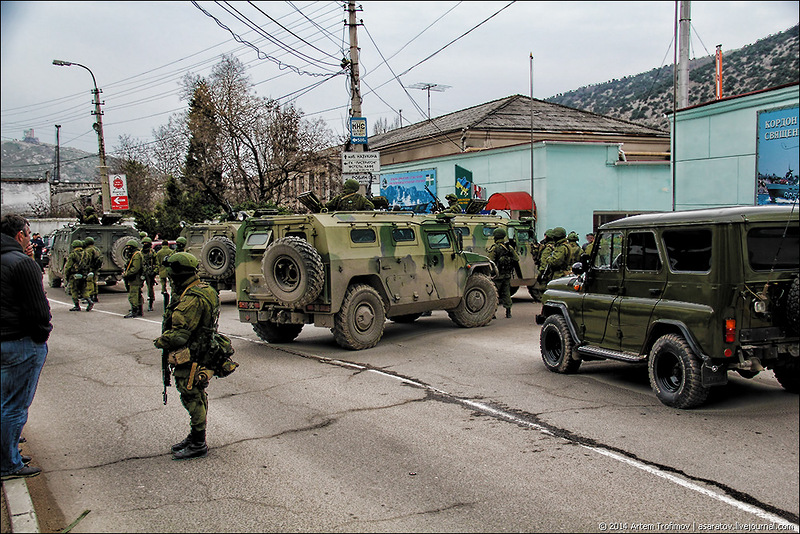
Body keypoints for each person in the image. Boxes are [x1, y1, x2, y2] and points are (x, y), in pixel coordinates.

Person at [154, 252, 220, 460]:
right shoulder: (204, 289)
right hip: (203, 349)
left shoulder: (191, 299)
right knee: (198, 395)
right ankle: (195, 436)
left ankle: (199, 442)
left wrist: (161, 341)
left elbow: (180, 335)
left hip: (191, 354)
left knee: (191, 395)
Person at [1, 214, 52, 480]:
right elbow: (38, 310)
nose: (32, 239)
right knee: (15, 406)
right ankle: (8, 463)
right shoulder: (21, 263)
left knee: (4, 402)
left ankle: (8, 453)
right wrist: (42, 334)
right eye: (29, 234)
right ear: (20, 235)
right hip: (19, 342)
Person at [488, 228, 519, 318]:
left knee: (494, 294)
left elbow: (491, 261)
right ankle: (508, 312)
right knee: (506, 293)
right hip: (507, 274)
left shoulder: (495, 248)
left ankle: (493, 313)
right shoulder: (509, 247)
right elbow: (516, 259)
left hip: (497, 275)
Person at [64, 239, 93, 312]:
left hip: (74, 276)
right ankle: (89, 301)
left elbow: (68, 266)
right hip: (84, 275)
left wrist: (66, 276)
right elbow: (89, 264)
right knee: (84, 289)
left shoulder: (73, 255)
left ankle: (77, 306)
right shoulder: (86, 254)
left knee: (74, 290)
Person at [122, 239, 144, 318]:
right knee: (137, 294)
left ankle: (135, 311)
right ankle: (139, 310)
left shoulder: (136, 255)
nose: (128, 248)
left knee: (133, 295)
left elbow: (135, 268)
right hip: (135, 278)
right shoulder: (135, 254)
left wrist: (126, 274)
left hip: (135, 278)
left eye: (129, 246)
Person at [82, 236, 103, 302]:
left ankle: (90, 297)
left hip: (90, 268)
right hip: (95, 268)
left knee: (89, 282)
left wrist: (84, 268)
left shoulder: (88, 250)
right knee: (94, 282)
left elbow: (87, 260)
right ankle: (95, 296)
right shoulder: (96, 249)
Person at [155, 239, 173, 311]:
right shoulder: (171, 251)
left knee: (163, 283)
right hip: (169, 270)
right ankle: (172, 292)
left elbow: (158, 262)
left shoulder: (159, 252)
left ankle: (164, 291)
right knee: (171, 282)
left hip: (162, 270)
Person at [141, 237, 158, 312]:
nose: (145, 245)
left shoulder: (152, 253)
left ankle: (150, 304)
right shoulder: (140, 252)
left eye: (146, 244)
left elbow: (157, 264)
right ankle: (138, 305)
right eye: (144, 243)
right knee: (137, 288)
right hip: (141, 272)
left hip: (149, 272)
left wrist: (154, 272)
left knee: (150, 289)